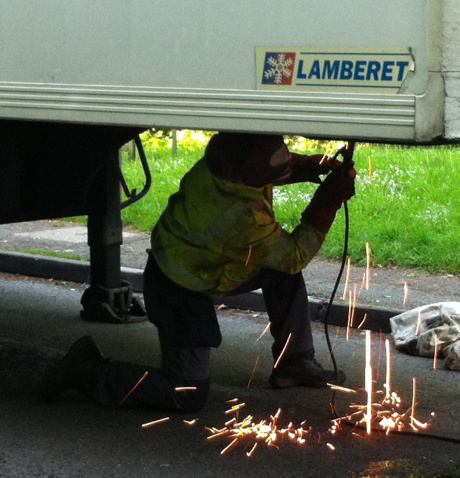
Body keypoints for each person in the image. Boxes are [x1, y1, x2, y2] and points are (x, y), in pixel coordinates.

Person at [40, 132, 356, 413]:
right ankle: (86, 370)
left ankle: (295, 363)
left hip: (203, 263)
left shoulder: (218, 166)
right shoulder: (242, 216)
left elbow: (262, 167)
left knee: (280, 274)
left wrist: (312, 165)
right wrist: (329, 198)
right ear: (252, 176)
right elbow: (296, 255)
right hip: (178, 287)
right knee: (187, 394)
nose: (285, 169)